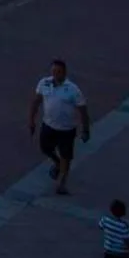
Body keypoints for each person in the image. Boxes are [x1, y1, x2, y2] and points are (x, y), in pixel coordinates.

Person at [29, 58, 91, 196]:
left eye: (58, 71)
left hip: (66, 129)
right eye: (53, 71)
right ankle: (57, 162)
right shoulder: (44, 83)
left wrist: (85, 130)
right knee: (45, 148)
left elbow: (83, 111)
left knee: (66, 156)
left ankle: (61, 183)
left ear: (64, 72)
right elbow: (36, 101)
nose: (55, 74)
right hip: (48, 125)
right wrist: (31, 120)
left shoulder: (73, 89)